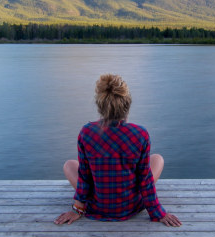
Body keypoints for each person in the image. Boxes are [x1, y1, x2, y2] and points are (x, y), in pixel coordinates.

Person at [55, 74, 181, 227]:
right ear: (127, 104)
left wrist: (77, 209)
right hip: (130, 206)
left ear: (100, 106)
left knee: (69, 165)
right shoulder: (140, 134)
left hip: (97, 206)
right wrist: (158, 212)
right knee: (157, 159)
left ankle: (87, 203)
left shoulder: (86, 132)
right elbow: (145, 179)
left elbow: (84, 176)